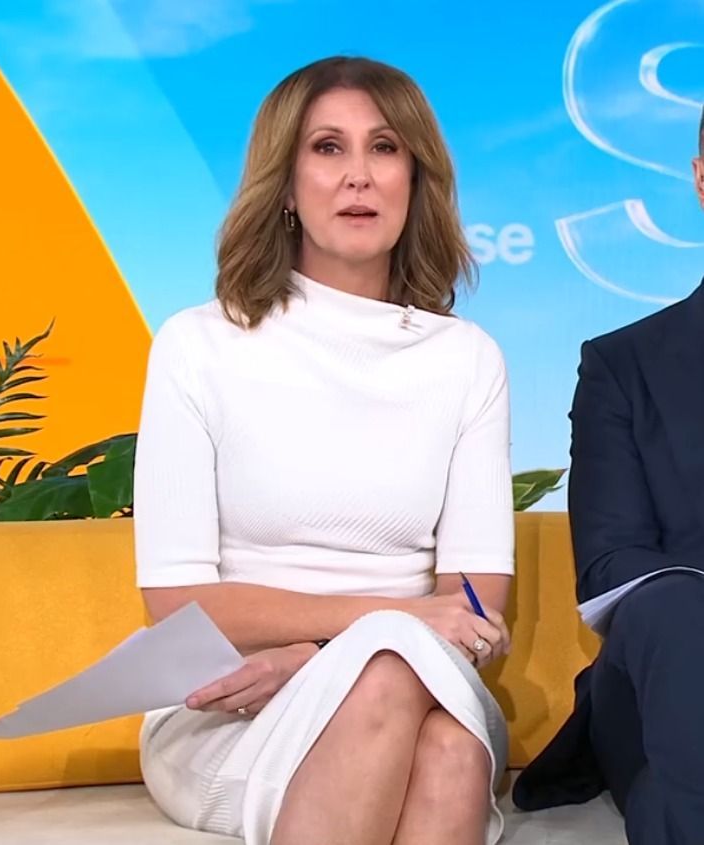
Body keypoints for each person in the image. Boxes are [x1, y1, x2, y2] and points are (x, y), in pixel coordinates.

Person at [133, 56, 515, 845]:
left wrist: (342, 653)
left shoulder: (466, 359)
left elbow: (475, 610)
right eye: (328, 148)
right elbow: (176, 604)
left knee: (439, 734)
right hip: (232, 696)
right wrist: (347, 644)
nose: (358, 176)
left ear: (415, 178)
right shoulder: (198, 346)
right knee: (392, 682)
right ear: (285, 181)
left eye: (385, 148)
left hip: (416, 681)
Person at [513, 108, 704, 844]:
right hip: (670, 675)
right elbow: (610, 561)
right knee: (673, 603)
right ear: (700, 179)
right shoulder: (623, 365)